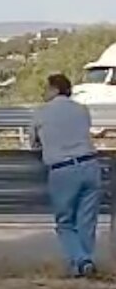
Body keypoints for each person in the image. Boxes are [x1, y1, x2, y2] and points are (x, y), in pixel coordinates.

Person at [30, 73, 99, 278]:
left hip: (63, 169)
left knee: (65, 223)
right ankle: (83, 265)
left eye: (46, 88)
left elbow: (34, 142)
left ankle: (81, 260)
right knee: (86, 221)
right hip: (89, 164)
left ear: (54, 89)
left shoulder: (41, 112)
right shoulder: (82, 109)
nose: (44, 92)